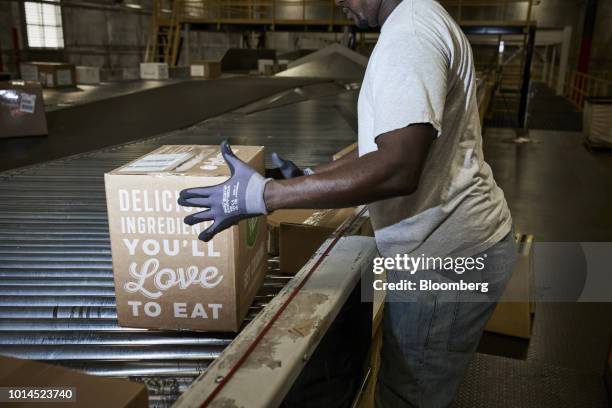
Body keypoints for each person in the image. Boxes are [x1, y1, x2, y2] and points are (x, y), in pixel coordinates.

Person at [178, 0, 516, 406]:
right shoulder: (417, 19)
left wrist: (266, 196)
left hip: (445, 260)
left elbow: (399, 167)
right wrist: (311, 176)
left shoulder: (409, 35)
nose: (337, 1)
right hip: (450, 249)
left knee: (409, 394)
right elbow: (389, 143)